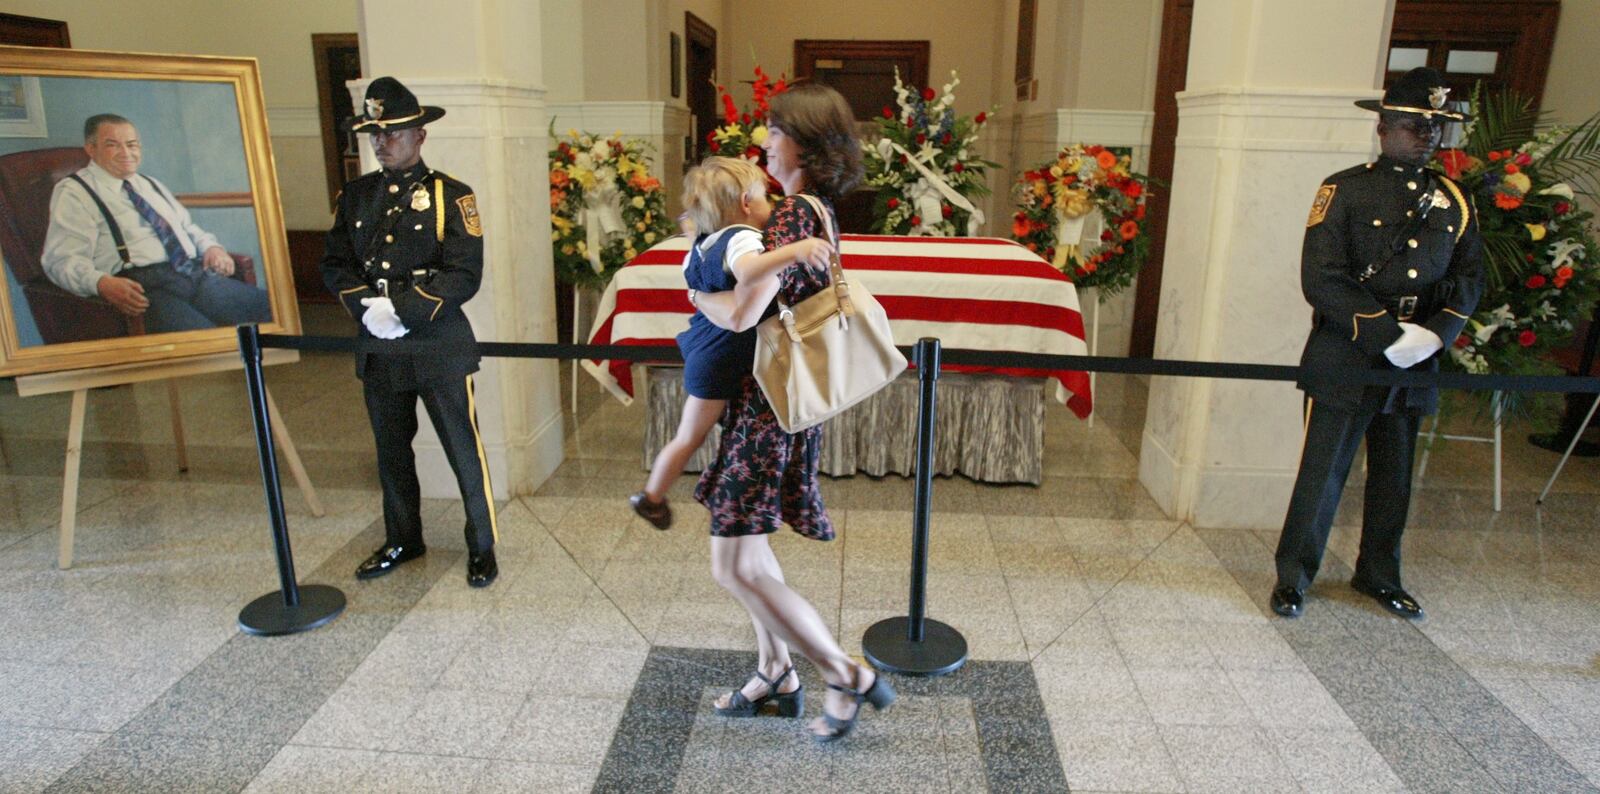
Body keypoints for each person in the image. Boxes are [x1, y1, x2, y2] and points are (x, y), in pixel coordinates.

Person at [689, 83, 896, 742]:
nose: (765, 142)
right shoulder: (811, 209)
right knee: (749, 556)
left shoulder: (789, 219)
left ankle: (844, 673)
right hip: (775, 407)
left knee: (734, 564)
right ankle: (777, 671)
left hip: (766, 414)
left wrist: (695, 294)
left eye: (774, 131)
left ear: (801, 141)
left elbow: (745, 312)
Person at [1271, 67, 1484, 620]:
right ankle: (1295, 574)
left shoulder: (1454, 200)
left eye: (1435, 127)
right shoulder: (1343, 188)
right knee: (1324, 469)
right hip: (1349, 348)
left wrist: (1436, 334)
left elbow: (1469, 276)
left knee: (1394, 471)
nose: (1427, 136)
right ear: (1384, 127)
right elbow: (1321, 277)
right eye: (1416, 125)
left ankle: (1379, 573)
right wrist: (1387, 335)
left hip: (1419, 352)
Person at [320, 77, 499, 588]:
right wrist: (364, 309)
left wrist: (403, 310)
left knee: (463, 447)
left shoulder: (452, 196)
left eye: (393, 133)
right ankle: (403, 537)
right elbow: (336, 264)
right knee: (391, 450)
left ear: (420, 135)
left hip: (437, 340)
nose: (382, 143)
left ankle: (482, 545)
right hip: (378, 344)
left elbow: (465, 272)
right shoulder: (355, 196)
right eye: (374, 134)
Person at [628, 157, 832, 529]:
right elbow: (751, 273)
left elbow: (695, 279)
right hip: (720, 355)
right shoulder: (743, 239)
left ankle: (652, 496)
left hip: (702, 343)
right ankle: (652, 497)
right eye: (765, 196)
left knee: (687, 433)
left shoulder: (703, 242)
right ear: (744, 202)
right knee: (690, 434)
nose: (771, 205)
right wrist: (795, 250)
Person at [41, 113, 272, 333]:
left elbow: (187, 228)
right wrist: (101, 283)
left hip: (192, 274)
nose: (126, 153)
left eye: (132, 145)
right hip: (147, 289)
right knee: (206, 342)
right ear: (91, 149)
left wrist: (211, 247)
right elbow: (61, 260)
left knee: (270, 309)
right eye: (113, 145)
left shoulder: (150, 184)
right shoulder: (73, 192)